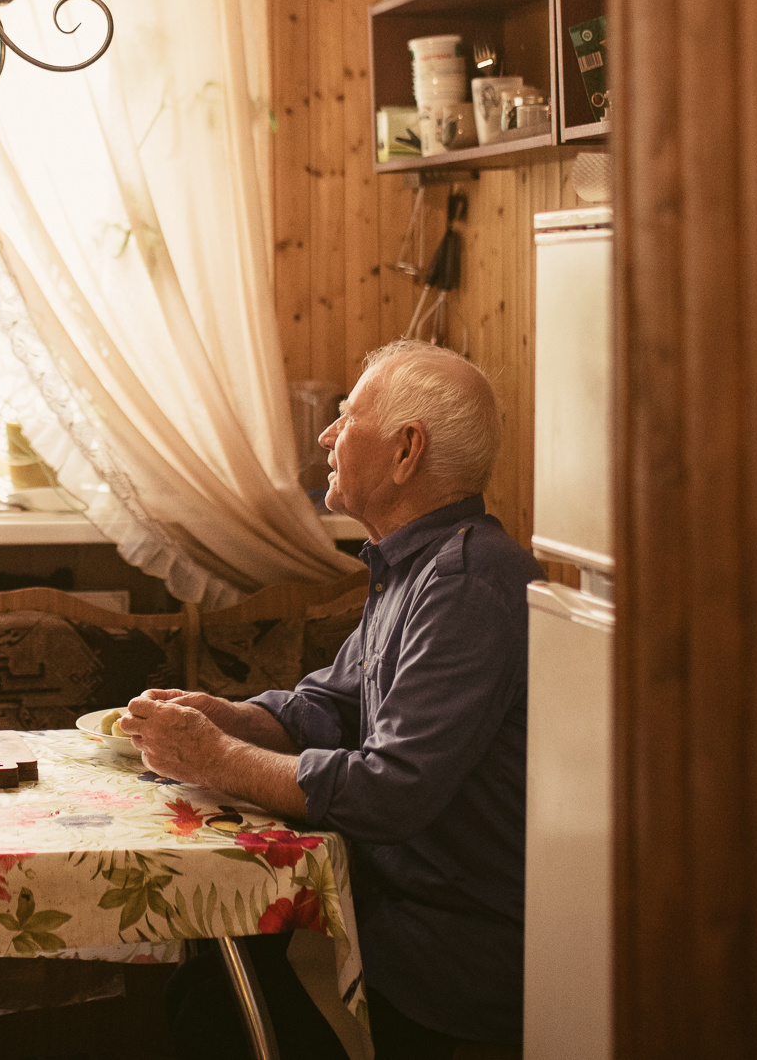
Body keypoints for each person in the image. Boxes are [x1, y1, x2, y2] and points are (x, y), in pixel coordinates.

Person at [124, 339, 539, 1059]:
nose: (326, 435)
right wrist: (224, 713)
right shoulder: (414, 566)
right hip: (386, 920)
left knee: (213, 1007)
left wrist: (215, 756)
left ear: (407, 451)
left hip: (446, 967)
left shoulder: (467, 581)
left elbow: (391, 790)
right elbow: (330, 704)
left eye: (347, 416)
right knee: (208, 983)